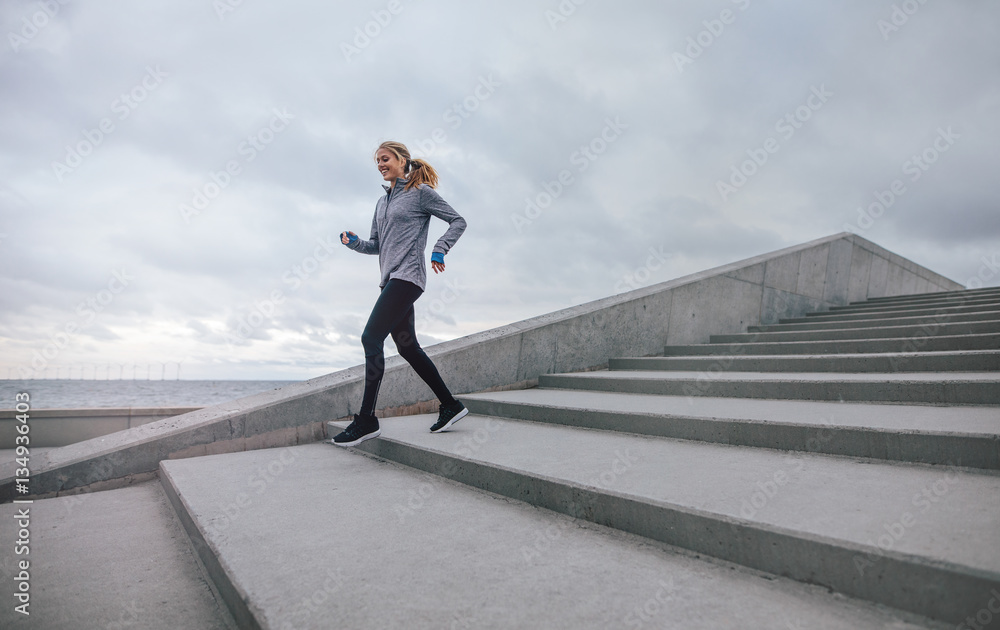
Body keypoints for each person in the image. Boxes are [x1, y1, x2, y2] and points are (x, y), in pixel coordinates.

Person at [332, 140, 469, 447]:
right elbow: (375, 245)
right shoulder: (382, 203)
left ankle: (366, 419)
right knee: (407, 348)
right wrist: (353, 243)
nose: (380, 164)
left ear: (402, 160)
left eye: (386, 158)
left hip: (408, 277)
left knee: (370, 338)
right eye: (377, 161)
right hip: (389, 280)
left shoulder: (420, 194)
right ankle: (450, 405)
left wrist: (439, 249)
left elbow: (458, 221)